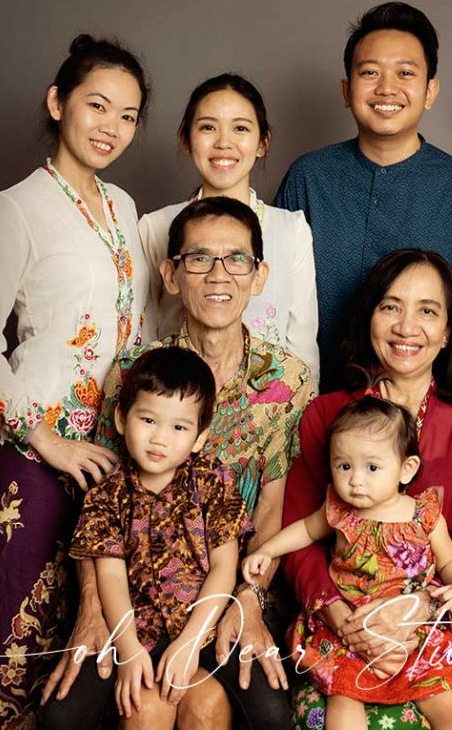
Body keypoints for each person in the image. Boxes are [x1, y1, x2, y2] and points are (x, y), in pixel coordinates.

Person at [0, 34, 154, 729]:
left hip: (114, 451)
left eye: (127, 115)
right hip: (36, 448)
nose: (111, 127)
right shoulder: (17, 207)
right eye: (97, 105)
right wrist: (49, 441)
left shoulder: (124, 208)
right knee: (10, 617)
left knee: (85, 624)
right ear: (58, 101)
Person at [45, 196, 314, 729]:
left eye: (236, 259)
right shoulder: (134, 373)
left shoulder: (288, 382)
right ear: (170, 273)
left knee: (270, 715)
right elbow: (100, 503)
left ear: (258, 275)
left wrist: (250, 601)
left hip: (226, 593)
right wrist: (94, 614)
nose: (219, 274)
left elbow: (269, 514)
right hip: (131, 598)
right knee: (62, 717)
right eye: (198, 258)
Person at [282, 249, 452, 730]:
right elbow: (301, 539)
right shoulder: (324, 416)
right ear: (369, 318)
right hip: (341, 632)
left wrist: (415, 612)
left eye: (427, 311)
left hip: (433, 634)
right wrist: (342, 619)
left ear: (449, 333)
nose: (406, 326)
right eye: (390, 306)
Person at [274, 1, 452, 407]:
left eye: (405, 73)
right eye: (370, 72)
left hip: (428, 420)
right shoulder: (309, 178)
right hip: (313, 412)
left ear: (430, 91)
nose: (386, 88)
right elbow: (270, 301)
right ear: (346, 90)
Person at [44, 346, 250, 729]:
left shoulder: (214, 483)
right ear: (122, 419)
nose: (160, 439)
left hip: (200, 631)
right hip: (136, 631)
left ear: (200, 437)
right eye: (148, 420)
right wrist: (128, 649)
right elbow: (110, 577)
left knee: (208, 706)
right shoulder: (107, 494)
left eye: (179, 427)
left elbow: (225, 567)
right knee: (141, 709)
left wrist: (190, 642)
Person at [244, 396, 452, 730]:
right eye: (344, 466)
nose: (355, 480)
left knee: (444, 699)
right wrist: (267, 551)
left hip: (410, 628)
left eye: (372, 468)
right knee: (344, 696)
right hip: (348, 626)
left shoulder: (424, 515)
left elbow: (450, 559)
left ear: (405, 469)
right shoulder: (338, 510)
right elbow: (305, 530)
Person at [139, 73, 319, 378]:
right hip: (174, 406)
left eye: (240, 128)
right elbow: (142, 338)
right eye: (208, 127)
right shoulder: (156, 227)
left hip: (268, 414)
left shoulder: (291, 229)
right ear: (185, 138)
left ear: (263, 143)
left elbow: (303, 352)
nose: (224, 143)